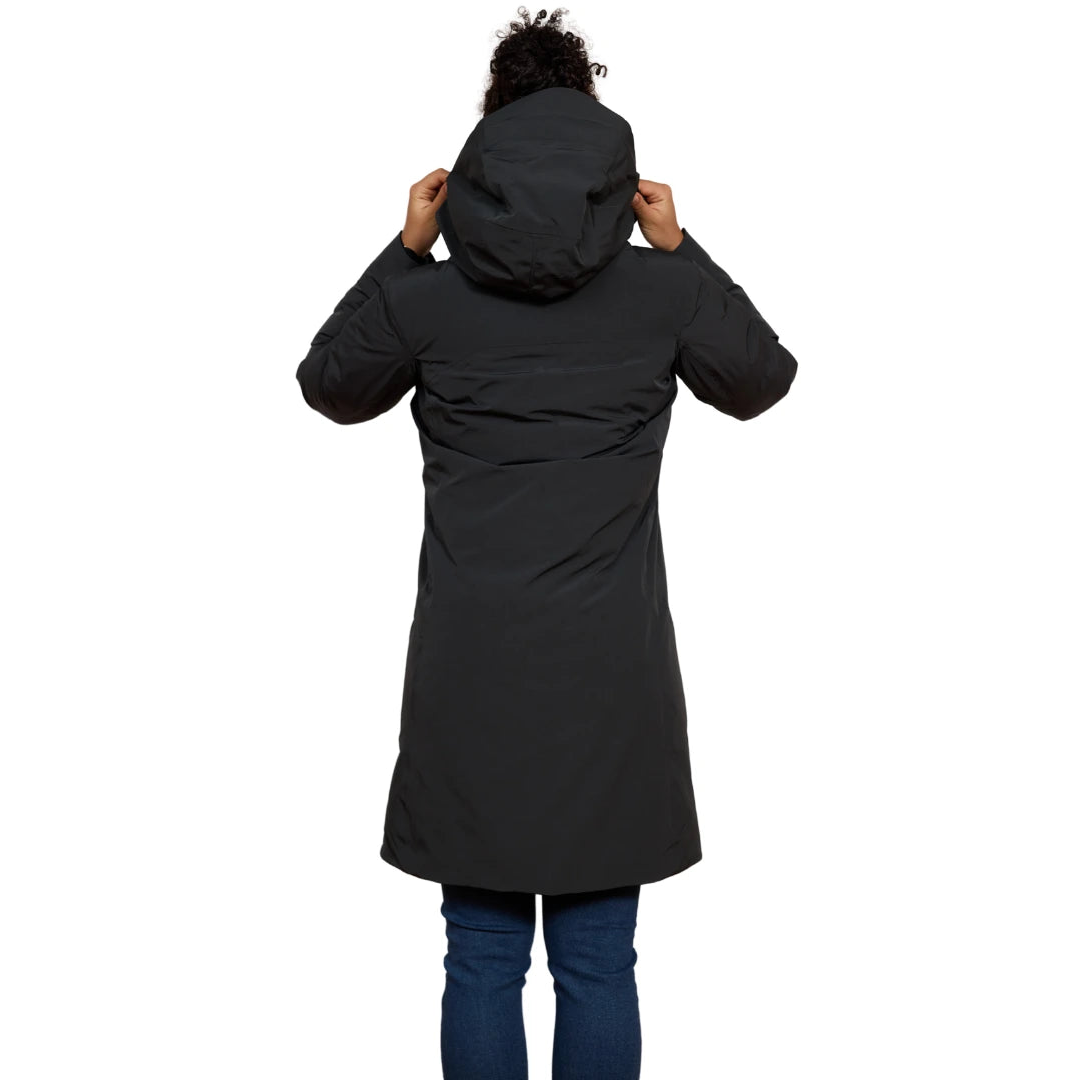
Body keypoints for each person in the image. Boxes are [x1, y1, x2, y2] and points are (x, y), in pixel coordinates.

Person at [294, 7, 799, 1078]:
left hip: (470, 666)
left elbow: (330, 386)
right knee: (598, 959)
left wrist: (405, 247)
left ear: (485, 146)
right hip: (612, 673)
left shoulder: (429, 301)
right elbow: (761, 380)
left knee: (480, 956)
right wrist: (681, 246)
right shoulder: (663, 293)